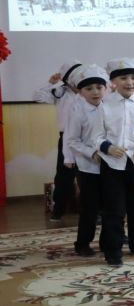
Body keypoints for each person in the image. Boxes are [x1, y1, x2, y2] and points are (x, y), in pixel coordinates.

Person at [95, 57, 134, 266]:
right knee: (114, 208)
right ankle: (113, 251)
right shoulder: (104, 106)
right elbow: (95, 136)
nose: (130, 82)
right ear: (113, 82)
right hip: (112, 165)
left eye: (133, 78)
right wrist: (108, 147)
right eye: (124, 78)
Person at [64, 64, 109, 256]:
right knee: (90, 208)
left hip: (111, 166)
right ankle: (82, 243)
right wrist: (92, 153)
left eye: (99, 87)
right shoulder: (78, 112)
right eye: (89, 88)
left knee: (111, 206)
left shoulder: (110, 108)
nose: (95, 92)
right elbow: (72, 140)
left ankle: (109, 241)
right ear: (80, 91)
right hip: (89, 168)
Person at [33, 59, 83, 222]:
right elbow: (38, 97)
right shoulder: (59, 92)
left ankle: (93, 212)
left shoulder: (91, 91)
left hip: (88, 138)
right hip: (67, 137)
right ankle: (59, 210)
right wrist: (50, 83)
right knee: (63, 176)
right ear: (67, 79)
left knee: (89, 176)